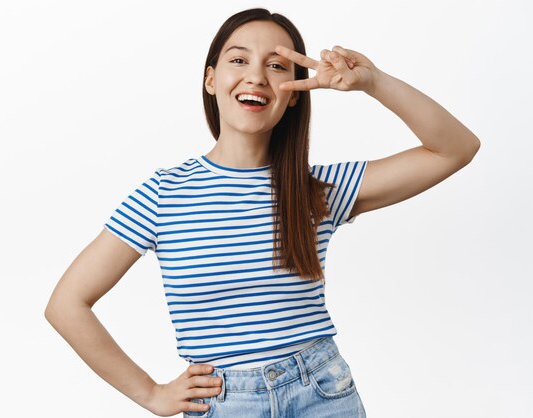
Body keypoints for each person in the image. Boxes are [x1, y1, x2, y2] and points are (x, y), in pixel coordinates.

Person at [44, 7, 480, 418]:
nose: (256, 76)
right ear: (211, 80)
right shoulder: (164, 194)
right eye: (239, 60)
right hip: (225, 401)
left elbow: (455, 149)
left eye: (276, 66)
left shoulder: (317, 189)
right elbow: (67, 304)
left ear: (294, 95)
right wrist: (150, 393)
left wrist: (374, 82)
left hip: (323, 393)